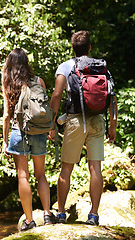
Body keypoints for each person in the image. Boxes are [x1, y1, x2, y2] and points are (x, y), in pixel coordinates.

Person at [48, 30, 118, 225]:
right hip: (97, 120)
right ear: (89, 47)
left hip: (75, 121)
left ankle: (61, 213)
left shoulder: (66, 66)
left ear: (73, 48)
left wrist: (51, 124)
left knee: (66, 168)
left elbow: (56, 95)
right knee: (95, 167)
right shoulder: (100, 67)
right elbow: (112, 98)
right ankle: (94, 215)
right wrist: (113, 125)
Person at [2, 48, 56, 231]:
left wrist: (4, 141)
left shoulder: (9, 83)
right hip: (39, 133)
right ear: (26, 63)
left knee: (23, 176)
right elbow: (46, 108)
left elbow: (6, 116)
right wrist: (51, 129)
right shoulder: (38, 80)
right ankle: (48, 214)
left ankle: (29, 220)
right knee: (41, 174)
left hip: (19, 133)